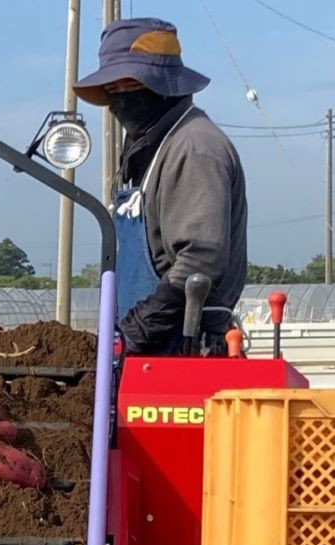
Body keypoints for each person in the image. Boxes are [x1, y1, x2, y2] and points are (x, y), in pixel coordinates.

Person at [74, 17, 247, 354]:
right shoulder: (151, 149)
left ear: (164, 86)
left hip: (183, 347)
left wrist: (141, 327)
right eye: (113, 90)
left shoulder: (194, 146)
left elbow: (200, 260)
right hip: (148, 348)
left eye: (132, 86)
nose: (121, 100)